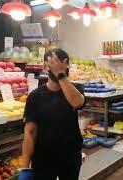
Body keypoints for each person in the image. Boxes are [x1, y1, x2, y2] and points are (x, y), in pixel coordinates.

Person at [20, 48, 86, 180]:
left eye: (61, 65)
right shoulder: (35, 96)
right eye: (52, 66)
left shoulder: (76, 89)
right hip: (43, 158)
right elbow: (30, 132)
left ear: (67, 66)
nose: (56, 70)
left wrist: (60, 74)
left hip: (70, 156)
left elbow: (77, 103)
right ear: (45, 68)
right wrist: (25, 167)